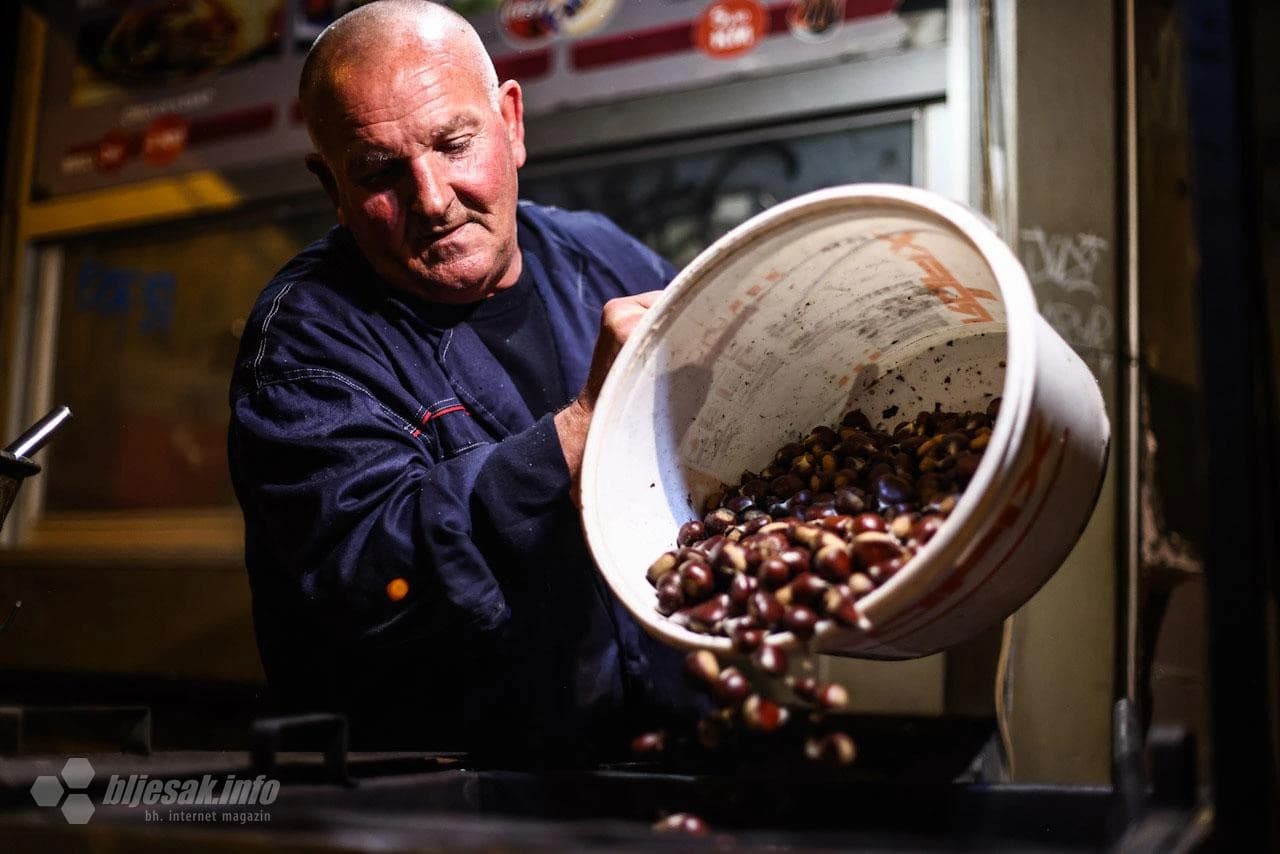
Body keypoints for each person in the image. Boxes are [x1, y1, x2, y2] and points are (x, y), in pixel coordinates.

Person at [227, 0, 698, 762]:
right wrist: (577, 434)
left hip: (664, 756)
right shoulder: (307, 344)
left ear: (510, 123)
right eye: (379, 171)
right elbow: (370, 575)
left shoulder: (601, 257)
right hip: (458, 797)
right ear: (331, 186)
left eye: (453, 144)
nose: (433, 199)